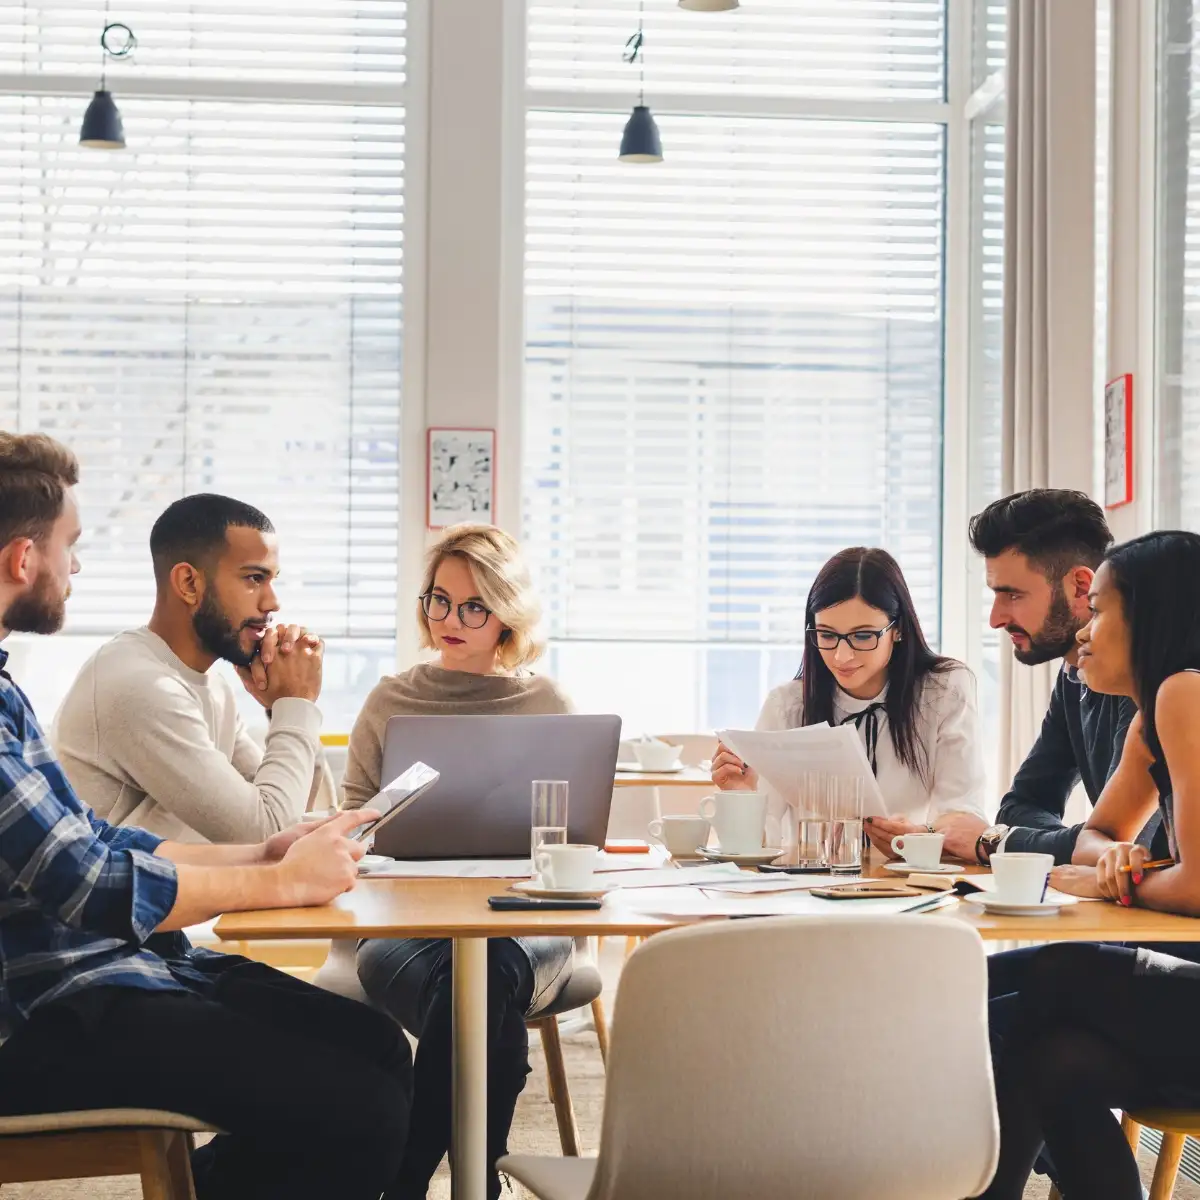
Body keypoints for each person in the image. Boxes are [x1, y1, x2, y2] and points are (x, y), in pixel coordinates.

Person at [0, 431, 412, 1200]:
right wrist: (279, 873)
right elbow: (85, 882)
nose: (78, 567)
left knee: (379, 1047)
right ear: (24, 560)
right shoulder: (133, 684)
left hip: (116, 962)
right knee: (358, 1108)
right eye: (70, 546)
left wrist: (269, 857)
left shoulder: (9, 692)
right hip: (48, 1006)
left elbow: (104, 840)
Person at [343, 524, 574, 1200]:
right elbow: (350, 824)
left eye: (473, 606)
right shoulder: (390, 700)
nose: (449, 620)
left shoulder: (547, 704)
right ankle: (483, 1182)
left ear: (508, 612)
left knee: (493, 966)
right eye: (438, 600)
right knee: (482, 999)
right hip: (405, 929)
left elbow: (573, 835)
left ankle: (406, 1179)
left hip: (525, 925)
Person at [980, 530, 1200, 1200]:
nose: (1084, 631)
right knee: (1051, 1058)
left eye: (1099, 610)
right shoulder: (1150, 717)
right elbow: (1100, 832)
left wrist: (1121, 882)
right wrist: (1113, 860)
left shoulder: (1185, 694)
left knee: (1035, 980)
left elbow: (1195, 887)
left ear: (1153, 614)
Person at [54, 493, 334, 843]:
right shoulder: (140, 685)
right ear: (189, 584)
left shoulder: (208, 685)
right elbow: (265, 832)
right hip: (128, 897)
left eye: (272, 579)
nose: (272, 602)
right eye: (253, 579)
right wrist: (296, 703)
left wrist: (284, 706)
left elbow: (288, 810)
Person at [710, 546, 986, 858]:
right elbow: (762, 846)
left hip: (911, 883)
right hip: (811, 890)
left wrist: (921, 836)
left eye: (863, 636)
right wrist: (741, 795)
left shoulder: (943, 690)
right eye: (827, 636)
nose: (842, 656)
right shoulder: (788, 705)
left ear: (898, 630)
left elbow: (963, 811)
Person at [941, 489, 1157, 866]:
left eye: (1012, 595)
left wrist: (995, 843)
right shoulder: (1074, 674)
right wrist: (1033, 839)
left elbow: (1135, 843)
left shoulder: (1151, 678)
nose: (995, 618)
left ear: (1079, 586)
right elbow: (1022, 806)